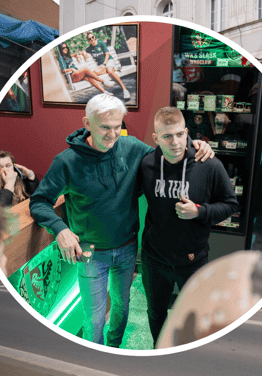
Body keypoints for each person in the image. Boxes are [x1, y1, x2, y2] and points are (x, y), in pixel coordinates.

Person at [29, 93, 212, 347]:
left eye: (117, 127)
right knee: (94, 318)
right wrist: (60, 230)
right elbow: (38, 201)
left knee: (121, 308)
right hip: (90, 254)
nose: (112, 135)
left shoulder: (132, 147)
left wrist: (196, 145)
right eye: (105, 127)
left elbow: (170, 151)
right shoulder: (66, 162)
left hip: (127, 250)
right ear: (87, 123)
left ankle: (113, 349)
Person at [137, 107, 238, 345]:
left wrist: (200, 211)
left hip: (192, 262)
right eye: (167, 137)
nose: (175, 143)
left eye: (179, 135)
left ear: (186, 132)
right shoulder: (146, 165)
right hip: (154, 260)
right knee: (156, 313)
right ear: (156, 138)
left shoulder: (208, 164)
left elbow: (231, 204)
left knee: (194, 317)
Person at [84, 31, 131, 100]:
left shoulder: (101, 43)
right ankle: (105, 83)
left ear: (94, 37)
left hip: (109, 61)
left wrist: (104, 64)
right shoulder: (89, 48)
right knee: (93, 73)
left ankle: (125, 90)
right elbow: (83, 52)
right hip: (101, 65)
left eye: (92, 37)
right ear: (88, 41)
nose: (91, 39)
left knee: (110, 71)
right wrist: (83, 52)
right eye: (89, 39)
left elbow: (107, 54)